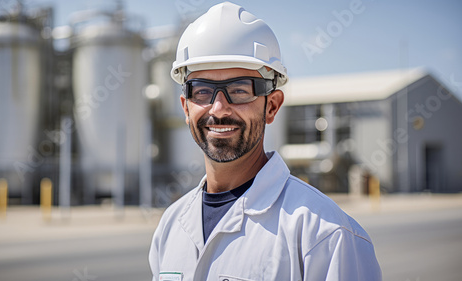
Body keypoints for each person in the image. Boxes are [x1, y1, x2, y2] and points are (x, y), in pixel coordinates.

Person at [149, 2, 382, 280]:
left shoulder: (325, 236)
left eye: (239, 89)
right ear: (186, 108)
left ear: (271, 106)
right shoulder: (171, 226)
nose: (219, 108)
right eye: (202, 91)